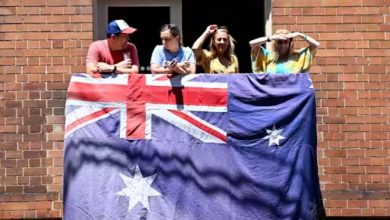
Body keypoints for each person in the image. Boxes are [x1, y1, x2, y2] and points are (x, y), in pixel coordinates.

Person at [249, 29, 320, 74]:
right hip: (271, 94)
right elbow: (252, 44)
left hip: (293, 95)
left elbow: (316, 44)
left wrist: (299, 34)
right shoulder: (268, 57)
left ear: (290, 43)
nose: (283, 45)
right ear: (275, 43)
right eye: (279, 42)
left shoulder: (298, 56)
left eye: (285, 42)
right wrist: (271, 38)